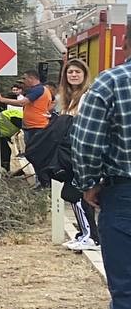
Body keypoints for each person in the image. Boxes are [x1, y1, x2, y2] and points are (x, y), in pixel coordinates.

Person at [70, 59, 131, 309]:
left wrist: (89, 182)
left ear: (126, 43)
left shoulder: (111, 82)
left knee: (126, 288)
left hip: (125, 194)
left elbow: (87, 141)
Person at [56, 60, 99, 252]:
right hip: (70, 152)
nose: (73, 75)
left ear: (84, 74)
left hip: (81, 153)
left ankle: (91, 236)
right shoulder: (67, 98)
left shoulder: (86, 96)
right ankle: (84, 234)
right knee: (73, 195)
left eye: (77, 72)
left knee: (77, 195)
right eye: (70, 72)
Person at [0, 69, 54, 188]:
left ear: (31, 78)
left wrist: (1, 100)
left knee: (35, 155)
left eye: (25, 79)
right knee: (34, 155)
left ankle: (45, 182)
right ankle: (43, 181)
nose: (23, 82)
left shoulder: (38, 89)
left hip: (37, 128)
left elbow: (22, 103)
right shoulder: (41, 90)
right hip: (34, 127)